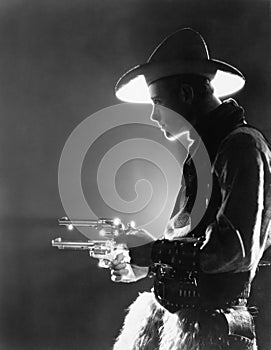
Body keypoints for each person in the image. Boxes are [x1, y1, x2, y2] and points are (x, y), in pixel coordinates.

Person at [109, 28, 271, 350]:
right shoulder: (203, 155)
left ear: (185, 94)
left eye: (157, 103)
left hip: (216, 333)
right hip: (180, 323)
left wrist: (155, 253)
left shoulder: (241, 148)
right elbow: (188, 241)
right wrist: (141, 264)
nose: (154, 116)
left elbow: (235, 252)